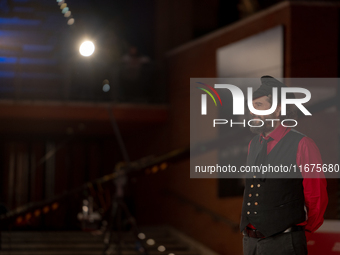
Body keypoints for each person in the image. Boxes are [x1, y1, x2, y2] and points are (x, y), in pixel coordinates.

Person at [240, 76, 328, 255]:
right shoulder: (253, 144)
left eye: (258, 106)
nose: (252, 112)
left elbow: (316, 195)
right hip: (250, 243)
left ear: (278, 109)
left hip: (284, 242)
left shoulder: (303, 144)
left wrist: (297, 233)